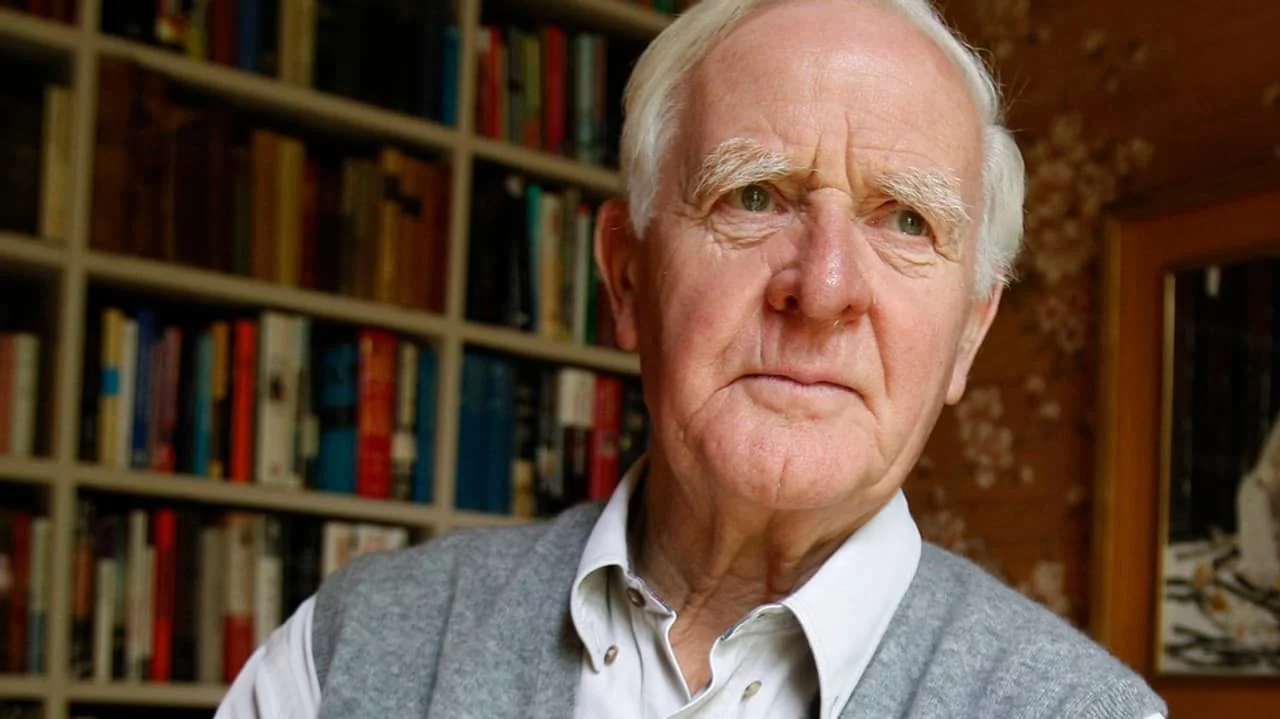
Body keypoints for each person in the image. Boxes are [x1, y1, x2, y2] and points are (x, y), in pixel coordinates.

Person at [218, 0, 1168, 716]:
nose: (823, 287)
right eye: (753, 196)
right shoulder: (352, 651)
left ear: (968, 334)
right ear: (627, 278)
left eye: (907, 221)